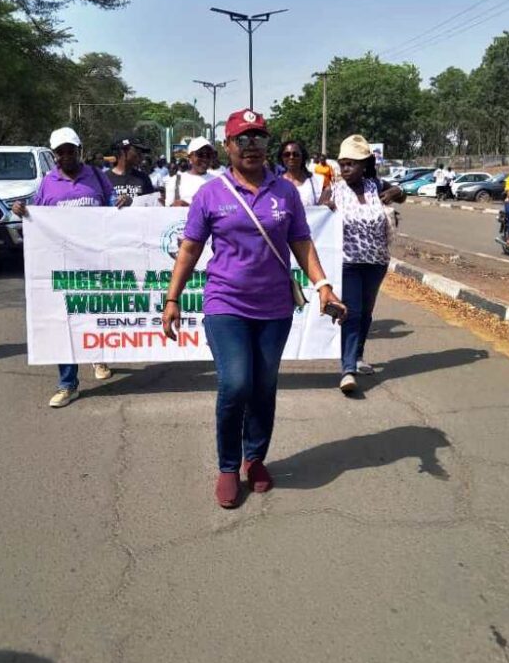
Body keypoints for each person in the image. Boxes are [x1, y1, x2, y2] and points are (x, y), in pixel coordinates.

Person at [162, 108, 346, 509]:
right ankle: (228, 466)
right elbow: (190, 249)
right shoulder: (211, 195)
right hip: (225, 302)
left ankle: (254, 458)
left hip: (275, 307)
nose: (252, 147)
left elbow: (301, 242)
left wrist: (323, 285)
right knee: (236, 384)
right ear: (227, 146)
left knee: (264, 386)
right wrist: (172, 298)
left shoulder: (285, 192)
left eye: (259, 139)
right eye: (242, 140)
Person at [13, 127, 115, 406]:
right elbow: (37, 216)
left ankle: (99, 357)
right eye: (61, 151)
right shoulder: (48, 182)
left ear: (79, 151)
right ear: (54, 154)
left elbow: (113, 204)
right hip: (60, 266)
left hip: (94, 261)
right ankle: (67, 383)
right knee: (64, 321)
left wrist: (122, 203)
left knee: (95, 313)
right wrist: (23, 212)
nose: (66, 155)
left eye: (71, 150)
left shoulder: (95, 176)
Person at [332, 134, 405, 395]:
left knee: (366, 311)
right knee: (351, 312)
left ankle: (358, 355)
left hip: (377, 262)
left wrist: (398, 192)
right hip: (348, 262)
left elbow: (401, 196)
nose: (346, 169)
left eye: (351, 164)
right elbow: (318, 217)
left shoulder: (376, 185)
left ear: (364, 165)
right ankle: (347, 369)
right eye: (342, 164)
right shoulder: (335, 190)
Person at [165, 136, 216, 206]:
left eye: (209, 155)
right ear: (190, 157)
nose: (205, 159)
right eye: (200, 154)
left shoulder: (217, 181)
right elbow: (167, 211)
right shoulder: (176, 181)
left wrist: (190, 207)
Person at [277, 139, 328, 207]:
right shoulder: (275, 184)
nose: (291, 157)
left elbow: (322, 209)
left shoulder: (319, 181)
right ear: (282, 158)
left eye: (296, 154)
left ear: (303, 157)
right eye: (287, 154)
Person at [107, 138, 154, 206]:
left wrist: (132, 202)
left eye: (141, 153)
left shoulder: (144, 178)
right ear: (123, 151)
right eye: (137, 151)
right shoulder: (104, 178)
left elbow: (151, 206)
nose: (141, 156)